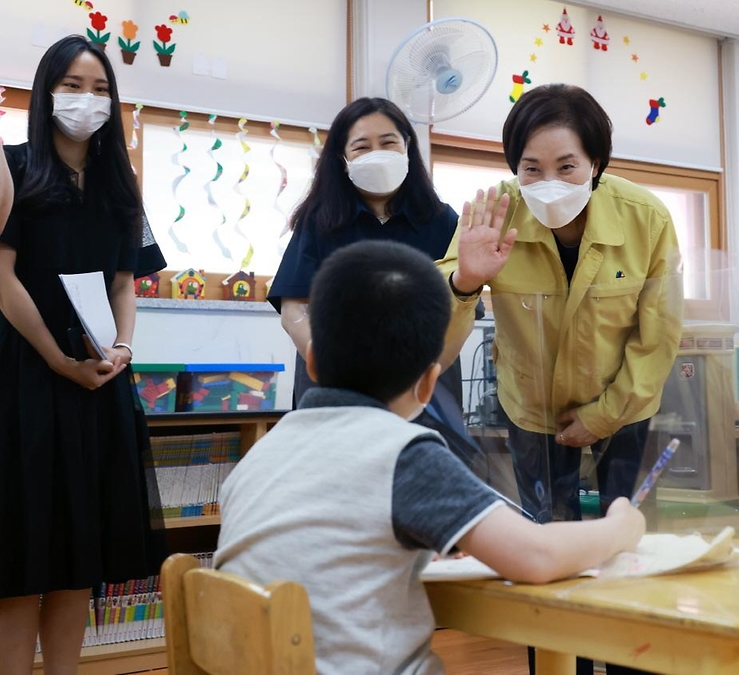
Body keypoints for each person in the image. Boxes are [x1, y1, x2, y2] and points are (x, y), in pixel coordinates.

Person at [214, 240, 646, 675]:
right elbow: (536, 556)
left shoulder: (260, 453)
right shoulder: (404, 454)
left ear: (311, 361)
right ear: (427, 385)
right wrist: (619, 528)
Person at [437, 83, 683, 675]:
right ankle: (557, 665)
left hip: (622, 407)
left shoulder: (646, 217)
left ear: (595, 163)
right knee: (546, 551)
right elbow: (437, 345)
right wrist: (465, 282)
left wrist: (602, 415)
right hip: (532, 413)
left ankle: (627, 663)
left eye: (566, 165)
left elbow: (660, 335)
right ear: (513, 167)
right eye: (531, 167)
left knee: (622, 545)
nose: (548, 180)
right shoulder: (493, 215)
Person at [0, 35, 167, 674]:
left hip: (96, 383)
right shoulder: (13, 169)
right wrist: (54, 358)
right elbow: (4, 277)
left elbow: (124, 282)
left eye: (99, 88)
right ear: (45, 94)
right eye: (71, 85)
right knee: (20, 562)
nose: (86, 99)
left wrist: (122, 348)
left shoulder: (120, 188)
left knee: (77, 560)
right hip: (23, 380)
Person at [268, 96, 474, 416]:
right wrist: (328, 362)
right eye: (362, 146)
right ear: (343, 157)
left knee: (422, 462)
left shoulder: (442, 221)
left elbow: (461, 311)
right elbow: (293, 309)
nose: (376, 155)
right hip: (335, 380)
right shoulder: (319, 221)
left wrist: (420, 376)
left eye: (388, 142)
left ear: (407, 147)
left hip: (423, 382)